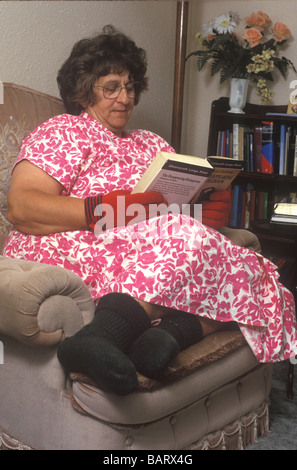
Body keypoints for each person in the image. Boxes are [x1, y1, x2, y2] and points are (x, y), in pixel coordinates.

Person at [3, 25, 297, 395]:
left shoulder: (150, 142)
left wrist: (203, 211)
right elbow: (21, 206)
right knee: (188, 240)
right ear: (82, 91)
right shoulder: (63, 131)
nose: (124, 98)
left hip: (149, 238)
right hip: (77, 237)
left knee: (257, 267)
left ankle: (169, 336)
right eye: (111, 87)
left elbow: (167, 205)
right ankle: (103, 335)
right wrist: (106, 208)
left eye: (129, 87)